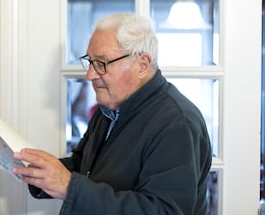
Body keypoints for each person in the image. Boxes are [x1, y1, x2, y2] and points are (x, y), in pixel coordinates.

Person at [12, 12, 212, 214]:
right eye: (90, 62)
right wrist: (40, 172)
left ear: (142, 65)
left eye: (102, 63)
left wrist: (69, 186)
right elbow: (85, 166)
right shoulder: (110, 107)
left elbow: (163, 210)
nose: (90, 75)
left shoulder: (177, 122)